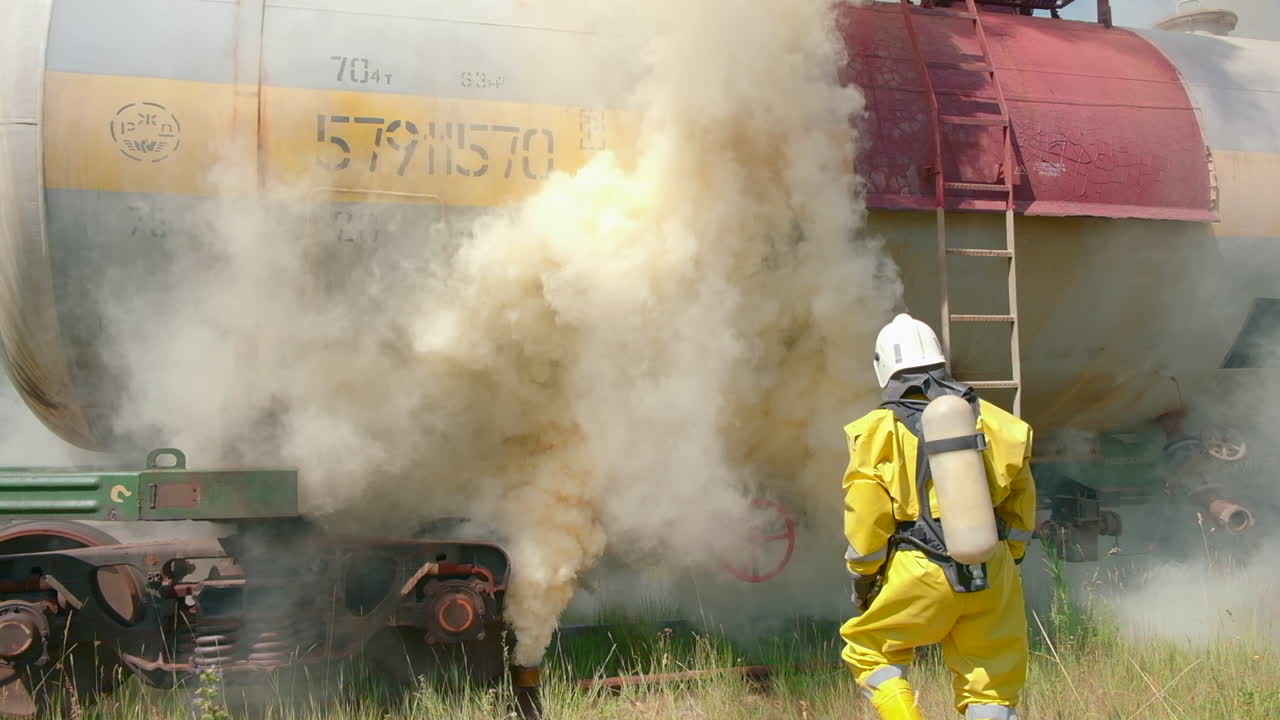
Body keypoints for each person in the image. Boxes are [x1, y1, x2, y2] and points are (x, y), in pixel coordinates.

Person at [839, 313, 1037, 720]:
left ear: (883, 369)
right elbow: (1021, 508)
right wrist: (1007, 559)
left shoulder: (877, 432)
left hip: (921, 568)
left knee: (870, 651)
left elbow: (866, 521)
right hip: (991, 566)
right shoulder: (1003, 424)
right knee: (991, 685)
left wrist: (865, 577)